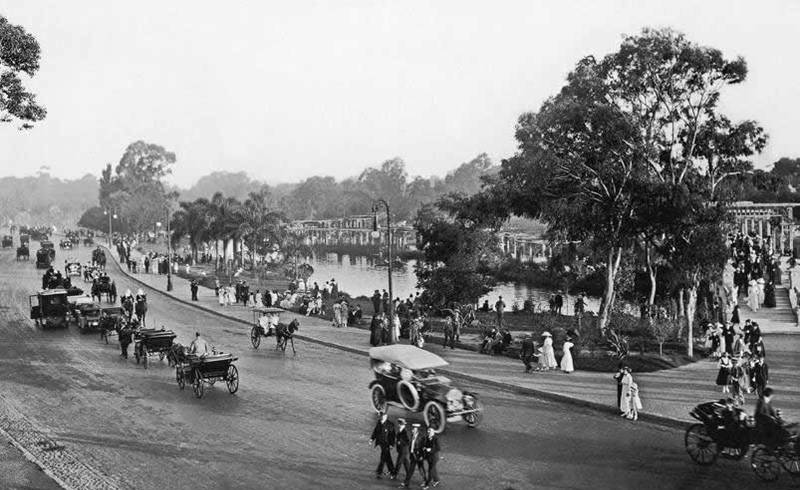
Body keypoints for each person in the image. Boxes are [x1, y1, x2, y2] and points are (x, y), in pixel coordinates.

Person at [369, 411, 395, 479]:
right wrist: (372, 439)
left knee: (383, 458)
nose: (382, 417)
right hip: (381, 443)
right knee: (387, 457)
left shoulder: (390, 425)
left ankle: (379, 472)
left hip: (387, 444)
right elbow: (375, 431)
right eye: (381, 416)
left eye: (383, 416)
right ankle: (392, 471)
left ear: (386, 416)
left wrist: (391, 444)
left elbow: (392, 436)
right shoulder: (379, 422)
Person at [402, 424, 424, 488]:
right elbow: (410, 444)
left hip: (418, 456)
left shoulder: (421, 437)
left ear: (417, 430)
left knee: (421, 469)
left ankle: (425, 481)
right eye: (412, 429)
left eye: (414, 429)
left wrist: (421, 455)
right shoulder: (412, 435)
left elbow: (422, 447)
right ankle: (406, 482)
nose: (412, 430)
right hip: (413, 455)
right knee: (411, 470)